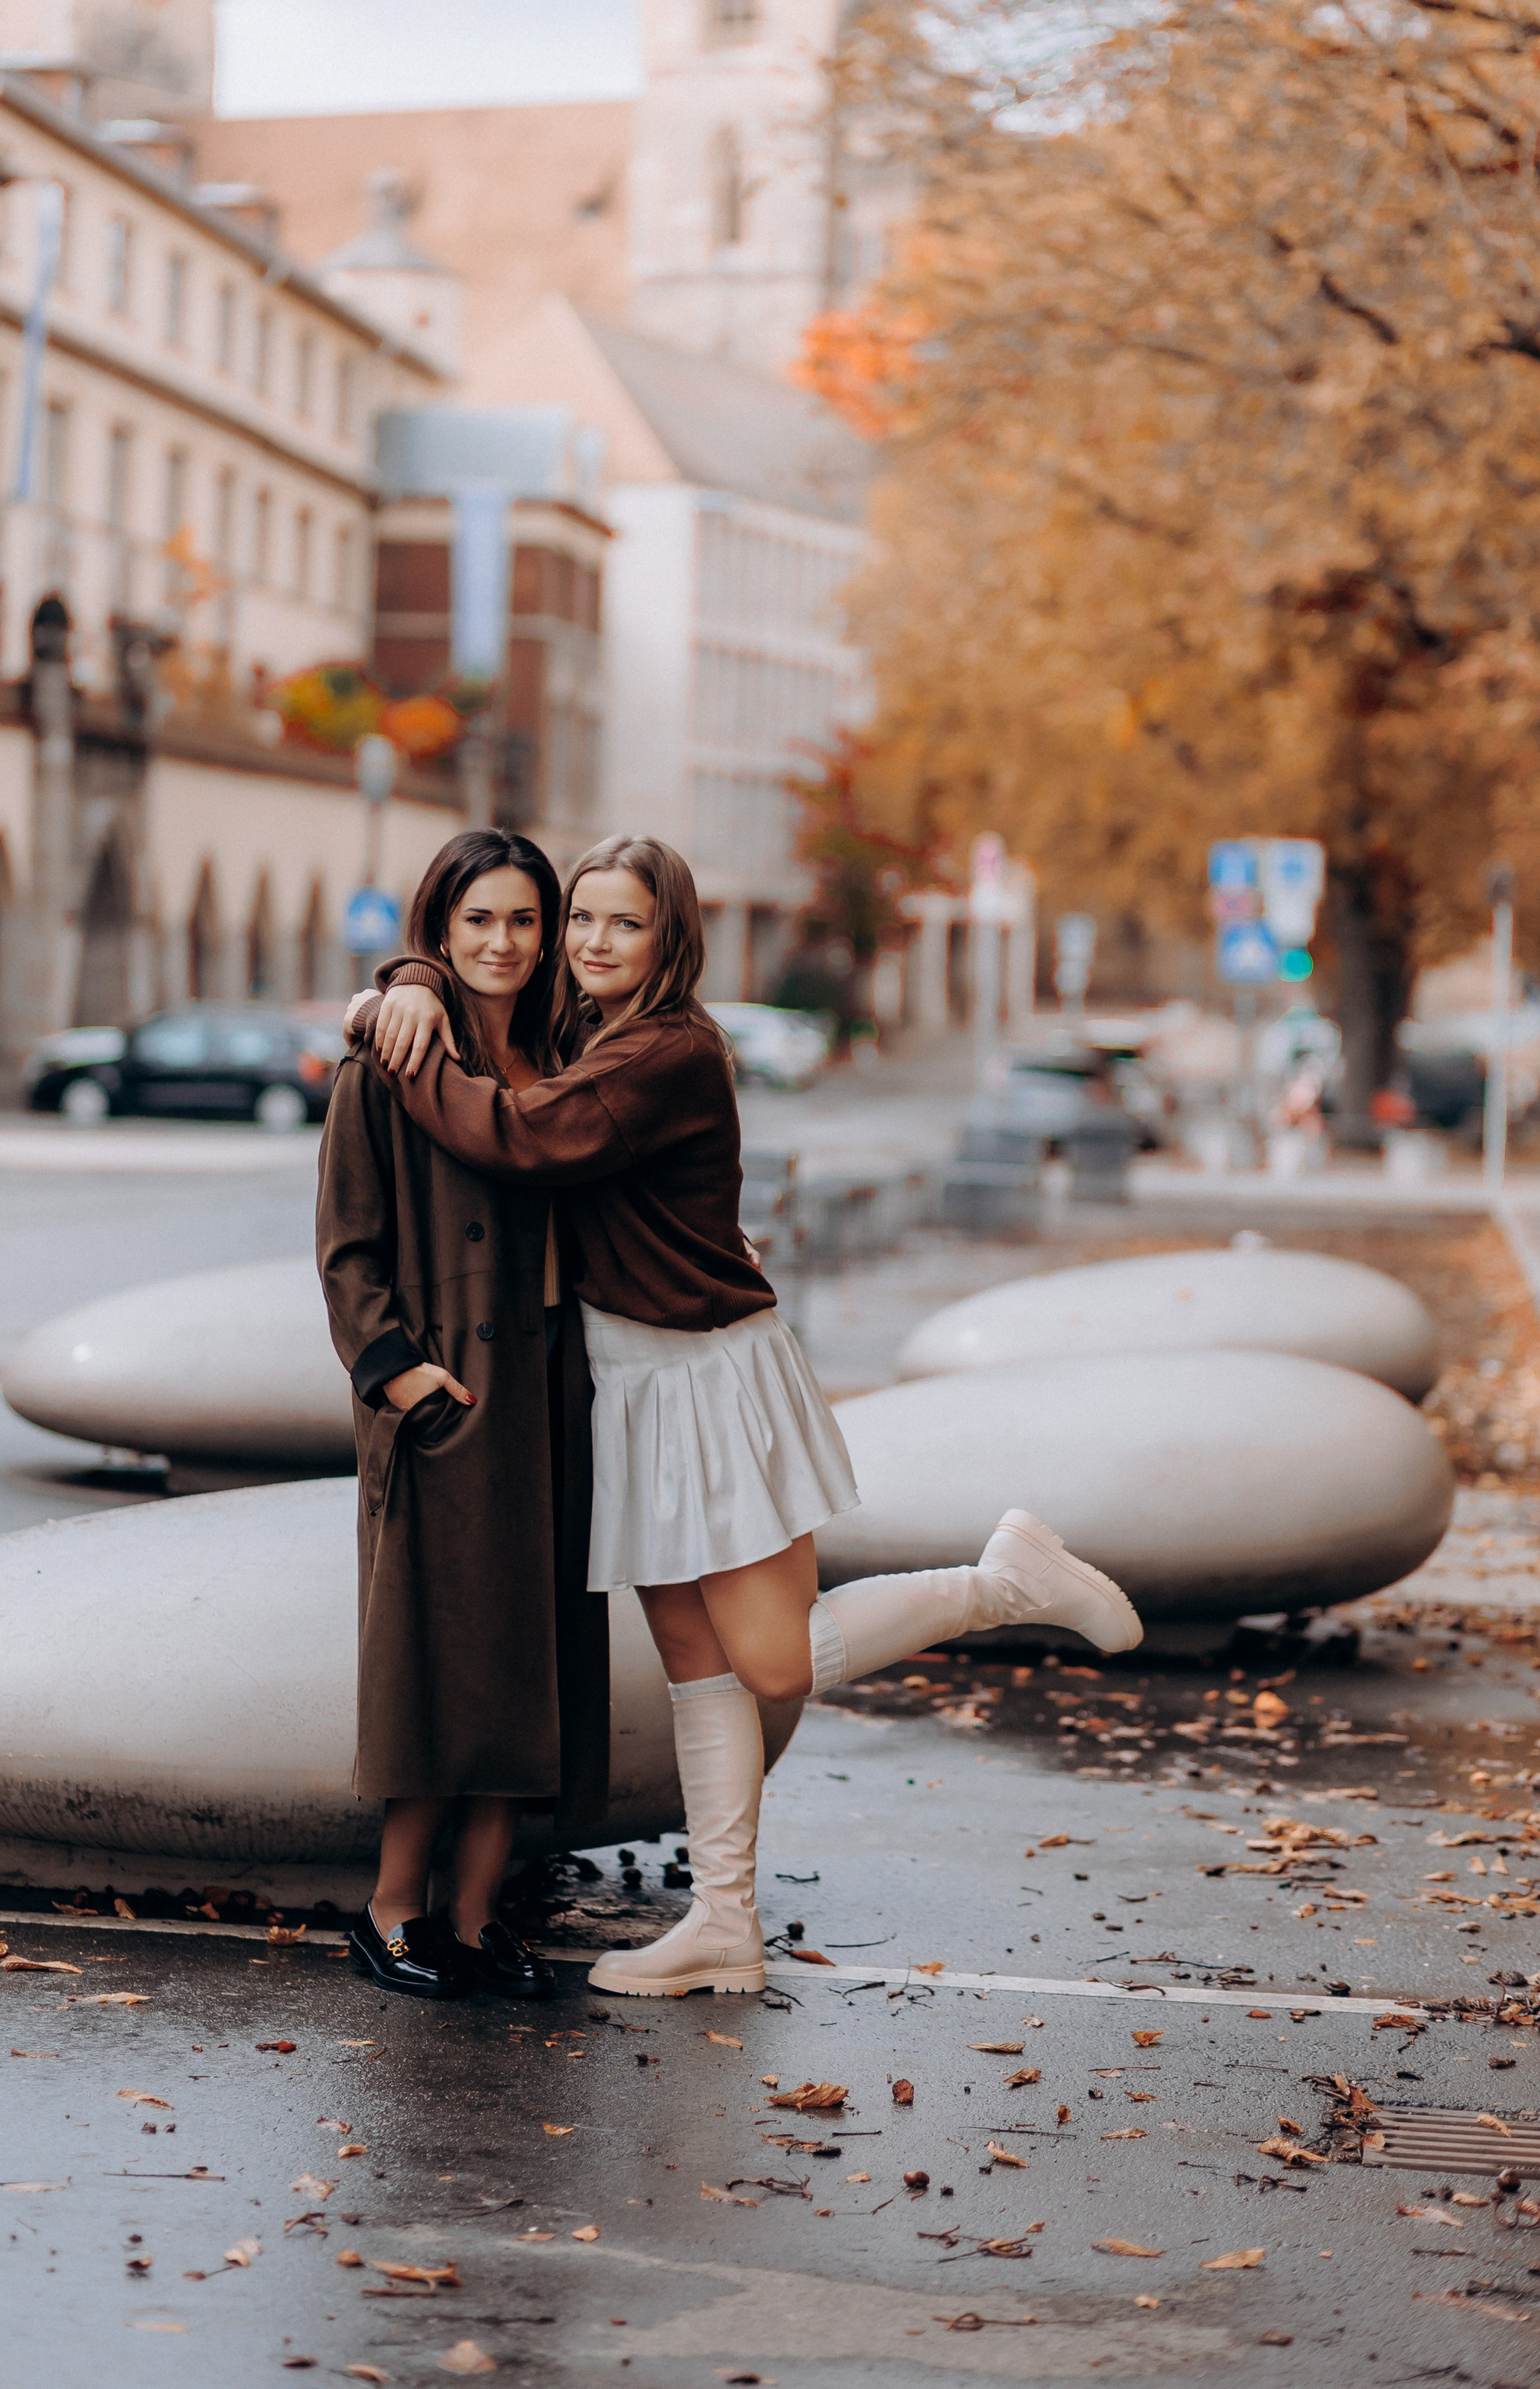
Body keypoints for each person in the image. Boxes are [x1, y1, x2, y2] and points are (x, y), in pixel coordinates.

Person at [348, 833, 1141, 2000]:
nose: (591, 942)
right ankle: (724, 1924)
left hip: (707, 1373)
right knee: (694, 1664)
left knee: (771, 1660)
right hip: (626, 1379)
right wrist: (409, 980)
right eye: (583, 921)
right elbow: (494, 1030)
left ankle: (1002, 1582)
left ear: (671, 938)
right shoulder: (586, 1033)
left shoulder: (665, 1051)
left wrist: (390, 1029)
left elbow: (514, 1136)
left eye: (624, 923)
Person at [316, 827, 607, 2007]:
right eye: (478, 920)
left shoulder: (571, 1050)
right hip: (448, 1402)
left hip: (553, 1394)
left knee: (525, 1669)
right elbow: (347, 1248)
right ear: (441, 927)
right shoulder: (388, 1058)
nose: (505, 941)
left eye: (524, 920)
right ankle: (393, 1911)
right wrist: (399, 1378)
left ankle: (480, 1920)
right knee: (432, 1668)